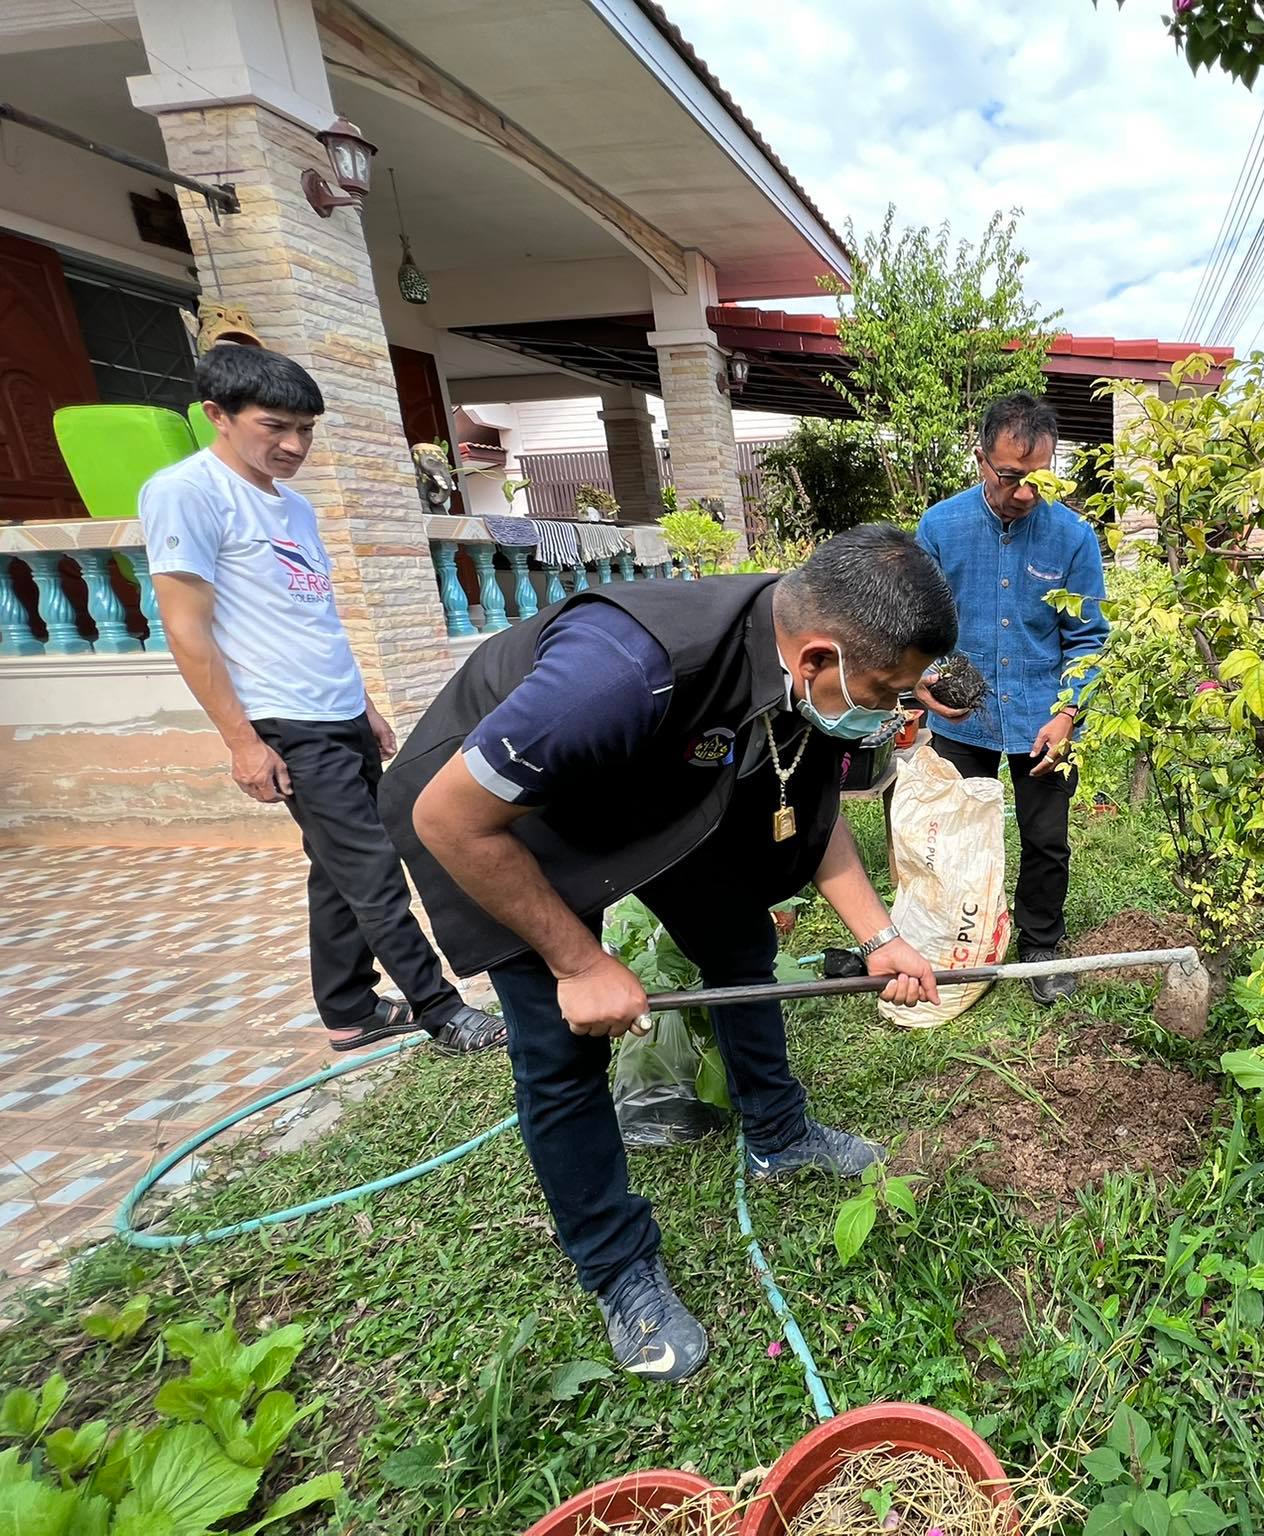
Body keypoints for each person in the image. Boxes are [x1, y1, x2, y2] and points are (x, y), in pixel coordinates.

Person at [379, 525, 951, 1381]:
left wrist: (880, 937)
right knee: (561, 1047)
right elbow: (449, 818)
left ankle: (778, 1133)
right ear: (820, 658)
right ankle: (615, 1265)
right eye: (887, 689)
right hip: (509, 822)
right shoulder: (620, 670)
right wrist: (579, 962)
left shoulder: (803, 668)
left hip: (655, 791)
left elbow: (810, 805)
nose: (896, 709)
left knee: (741, 944)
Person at [140, 344, 502, 1056]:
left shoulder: (294, 507)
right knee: (372, 868)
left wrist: (362, 702)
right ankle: (441, 1011)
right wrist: (243, 741)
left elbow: (315, 616)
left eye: (305, 429)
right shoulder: (188, 492)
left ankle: (348, 1008)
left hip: (335, 709)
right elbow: (187, 629)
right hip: (283, 717)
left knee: (338, 868)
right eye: (275, 426)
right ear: (218, 415)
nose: (294, 444)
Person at [914, 392, 1110, 1003]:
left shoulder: (1073, 537)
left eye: (1040, 479)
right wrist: (920, 684)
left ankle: (1041, 943)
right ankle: (959, 939)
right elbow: (916, 623)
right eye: (1011, 477)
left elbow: (1088, 636)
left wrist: (1068, 712)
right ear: (979, 459)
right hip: (960, 710)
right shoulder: (940, 528)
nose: (1026, 493)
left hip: (1041, 717)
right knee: (953, 833)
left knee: (1045, 836)